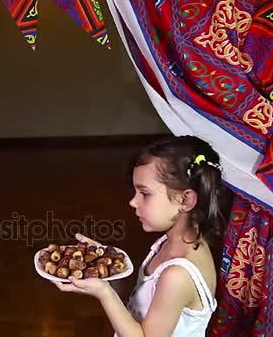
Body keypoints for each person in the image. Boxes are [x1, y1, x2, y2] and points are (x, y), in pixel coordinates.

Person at [53, 135, 232, 336]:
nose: (133, 202)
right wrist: (104, 266)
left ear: (186, 200)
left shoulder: (177, 275)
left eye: (145, 193)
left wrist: (104, 293)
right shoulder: (170, 243)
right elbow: (142, 303)